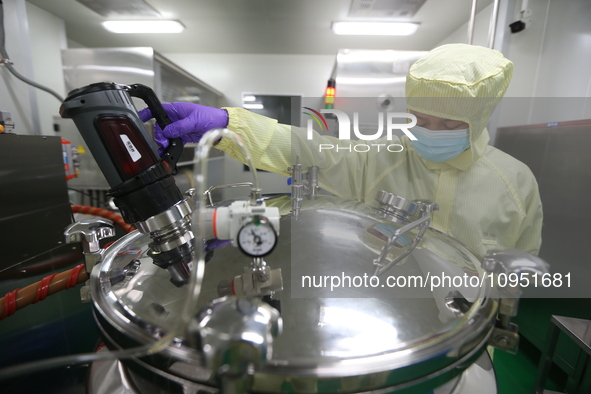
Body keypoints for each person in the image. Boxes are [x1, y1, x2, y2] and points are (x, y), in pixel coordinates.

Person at [140, 43, 543, 257]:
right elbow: (311, 149)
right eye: (420, 119)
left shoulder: (516, 182)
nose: (430, 132)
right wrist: (229, 125)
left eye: (451, 124)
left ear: (480, 118)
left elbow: (518, 266)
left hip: (465, 335)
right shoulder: (383, 157)